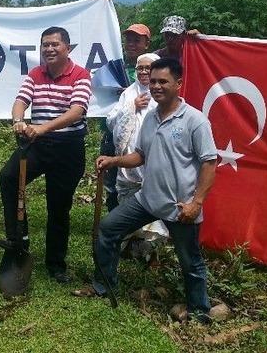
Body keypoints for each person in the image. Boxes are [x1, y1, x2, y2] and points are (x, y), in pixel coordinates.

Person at [86, 57, 217, 321]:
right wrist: (114, 160)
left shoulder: (195, 120)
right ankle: (104, 285)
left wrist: (196, 203)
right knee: (109, 229)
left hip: (180, 207)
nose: (156, 86)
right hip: (147, 199)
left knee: (190, 261)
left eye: (162, 81)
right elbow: (140, 155)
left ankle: (200, 311)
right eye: (153, 81)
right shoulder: (151, 118)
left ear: (178, 84)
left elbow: (209, 162)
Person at [0, 26, 91, 284]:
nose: (49, 49)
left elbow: (77, 112)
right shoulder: (35, 74)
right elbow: (21, 100)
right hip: (37, 145)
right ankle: (18, 239)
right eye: (45, 44)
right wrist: (18, 119)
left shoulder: (80, 75)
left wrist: (41, 127)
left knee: (58, 207)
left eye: (54, 44)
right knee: (8, 178)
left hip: (67, 148)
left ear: (67, 48)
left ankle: (56, 264)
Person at [104, 52, 168, 258]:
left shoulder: (162, 93)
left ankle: (151, 252)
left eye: (147, 68)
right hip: (130, 157)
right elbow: (111, 120)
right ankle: (130, 248)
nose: (142, 72)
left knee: (153, 205)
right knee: (128, 204)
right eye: (139, 68)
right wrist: (132, 107)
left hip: (153, 157)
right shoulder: (129, 93)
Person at [94, 24, 151, 211]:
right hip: (114, 134)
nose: (132, 44)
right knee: (114, 182)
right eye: (129, 40)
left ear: (147, 44)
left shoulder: (158, 70)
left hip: (147, 142)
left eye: (137, 40)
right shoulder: (115, 67)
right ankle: (116, 221)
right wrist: (129, 104)